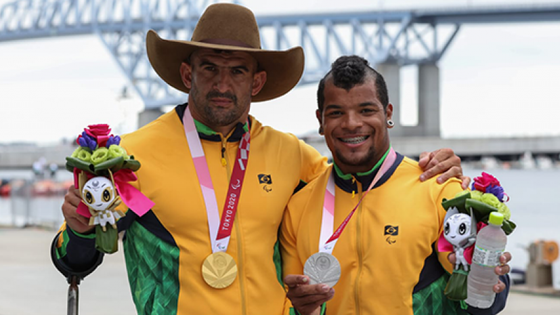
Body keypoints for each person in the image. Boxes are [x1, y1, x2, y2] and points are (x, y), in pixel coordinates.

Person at [51, 4, 467, 315]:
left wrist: (431, 174)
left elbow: (363, 178)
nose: (221, 83)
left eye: (237, 71)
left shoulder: (292, 155)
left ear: (258, 80)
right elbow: (75, 261)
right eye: (209, 68)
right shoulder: (132, 158)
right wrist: (78, 229)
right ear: (186, 74)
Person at [280, 55, 511, 315]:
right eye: (336, 113)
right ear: (320, 120)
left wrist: (492, 279)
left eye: (366, 110)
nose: (352, 123)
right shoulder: (298, 207)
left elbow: (484, 301)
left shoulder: (439, 189)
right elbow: (291, 303)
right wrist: (301, 307)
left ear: (388, 113)